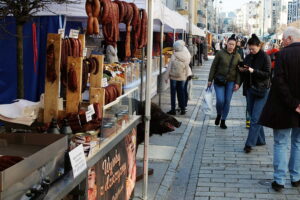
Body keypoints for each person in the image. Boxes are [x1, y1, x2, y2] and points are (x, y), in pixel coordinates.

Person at [259, 27, 300, 192]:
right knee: (298, 143)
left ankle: (279, 180)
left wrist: (293, 103)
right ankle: (296, 178)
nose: (282, 42)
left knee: (281, 143)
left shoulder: (283, 54)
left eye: (283, 39)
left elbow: (279, 81)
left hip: (284, 107)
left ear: (289, 38)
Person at [239, 34, 271, 153]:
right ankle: (261, 140)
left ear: (259, 46)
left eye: (253, 48)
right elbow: (245, 67)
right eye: (249, 49)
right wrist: (242, 69)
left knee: (255, 118)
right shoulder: (249, 56)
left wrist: (253, 71)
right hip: (250, 90)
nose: (251, 51)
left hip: (262, 90)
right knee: (253, 116)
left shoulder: (265, 57)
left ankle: (249, 144)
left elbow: (267, 74)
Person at [208, 34, 241, 129]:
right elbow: (213, 66)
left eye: (233, 45)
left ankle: (223, 120)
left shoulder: (237, 56)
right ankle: (219, 114)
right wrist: (210, 79)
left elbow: (239, 71)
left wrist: (238, 83)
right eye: (229, 44)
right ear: (226, 43)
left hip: (231, 82)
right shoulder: (220, 53)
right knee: (220, 100)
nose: (231, 46)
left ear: (235, 46)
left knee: (227, 101)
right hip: (219, 80)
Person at [166, 40, 192, 115]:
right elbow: (187, 65)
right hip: (183, 76)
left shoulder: (174, 55)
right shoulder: (186, 54)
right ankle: (183, 109)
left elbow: (169, 67)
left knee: (173, 93)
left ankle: (173, 110)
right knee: (181, 92)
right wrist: (187, 74)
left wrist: (166, 77)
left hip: (173, 77)